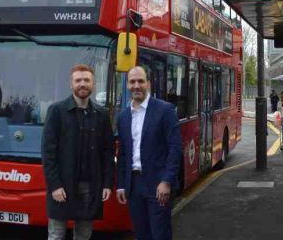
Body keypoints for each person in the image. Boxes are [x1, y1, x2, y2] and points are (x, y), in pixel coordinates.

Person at [41, 64, 115, 240]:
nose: (82, 84)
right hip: (62, 187)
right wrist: (55, 185)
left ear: (93, 84)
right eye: (78, 80)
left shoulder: (102, 114)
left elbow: (107, 152)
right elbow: (48, 153)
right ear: (71, 84)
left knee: (83, 235)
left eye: (86, 80)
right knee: (56, 235)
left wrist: (107, 184)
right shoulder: (56, 111)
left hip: (90, 187)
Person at [116, 66, 182, 240]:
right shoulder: (123, 117)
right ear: (127, 85)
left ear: (149, 84)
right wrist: (122, 184)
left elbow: (175, 149)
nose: (136, 85)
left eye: (140, 81)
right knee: (141, 234)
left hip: (157, 184)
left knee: (160, 235)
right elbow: (123, 154)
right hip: (134, 186)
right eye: (132, 82)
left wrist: (167, 181)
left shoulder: (165, 110)